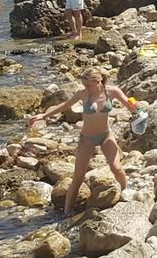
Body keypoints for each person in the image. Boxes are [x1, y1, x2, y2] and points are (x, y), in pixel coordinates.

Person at [28, 68, 138, 215]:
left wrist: (137, 109)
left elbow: (130, 105)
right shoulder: (82, 93)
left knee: (116, 167)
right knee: (78, 177)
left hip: (106, 135)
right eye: (84, 84)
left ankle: (126, 193)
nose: (85, 87)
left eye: (88, 85)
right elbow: (64, 106)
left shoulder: (112, 91)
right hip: (87, 139)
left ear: (98, 81)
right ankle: (67, 212)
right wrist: (44, 115)